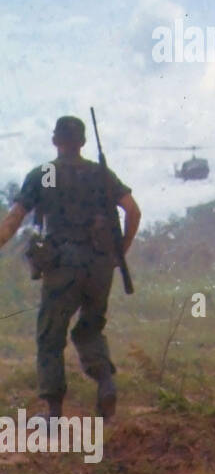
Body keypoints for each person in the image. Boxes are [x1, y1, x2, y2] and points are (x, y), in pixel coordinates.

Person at [0, 116, 141, 423]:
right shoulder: (100, 174)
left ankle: (53, 413)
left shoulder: (44, 173)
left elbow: (14, 220)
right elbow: (133, 210)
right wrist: (119, 253)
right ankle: (105, 383)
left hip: (63, 266)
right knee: (90, 329)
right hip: (100, 266)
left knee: (50, 336)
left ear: (55, 141)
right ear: (83, 142)